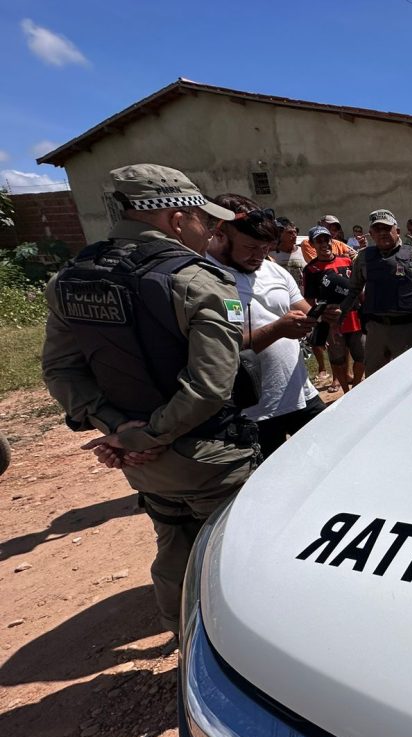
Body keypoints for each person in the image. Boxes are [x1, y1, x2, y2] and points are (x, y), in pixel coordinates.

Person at [41, 163, 259, 636]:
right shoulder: (200, 281)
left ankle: (177, 630)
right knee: (231, 553)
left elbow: (61, 370)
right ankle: (227, 647)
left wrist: (118, 431)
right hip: (208, 456)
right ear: (176, 220)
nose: (211, 230)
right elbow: (209, 385)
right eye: (207, 220)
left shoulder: (70, 278)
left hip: (137, 459)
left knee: (171, 537)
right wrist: (149, 434)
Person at [206, 194, 338, 457]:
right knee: (271, 485)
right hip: (252, 411)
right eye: (250, 248)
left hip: (300, 395)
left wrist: (322, 316)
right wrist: (277, 330)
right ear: (220, 234)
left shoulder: (274, 270)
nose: (260, 256)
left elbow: (302, 308)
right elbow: (217, 349)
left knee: (332, 457)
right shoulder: (204, 279)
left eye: (265, 248)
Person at [350, 209, 412, 376]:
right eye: (377, 229)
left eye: (387, 228)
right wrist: (339, 317)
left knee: (408, 377)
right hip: (375, 329)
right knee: (374, 379)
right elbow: (353, 289)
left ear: (397, 231)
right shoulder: (363, 257)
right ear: (371, 234)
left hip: (405, 329)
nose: (383, 233)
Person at [303, 225, 364, 393]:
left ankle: (357, 386)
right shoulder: (311, 270)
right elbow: (309, 300)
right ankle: (345, 391)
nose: (324, 244)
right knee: (337, 359)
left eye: (326, 239)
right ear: (312, 244)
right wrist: (320, 319)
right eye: (319, 241)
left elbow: (359, 289)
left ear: (332, 241)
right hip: (332, 323)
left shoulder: (347, 261)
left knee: (362, 355)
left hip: (354, 317)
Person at [271, 217, 307, 290]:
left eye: (295, 232)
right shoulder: (271, 254)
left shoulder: (304, 251)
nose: (294, 235)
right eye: (290, 232)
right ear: (280, 234)